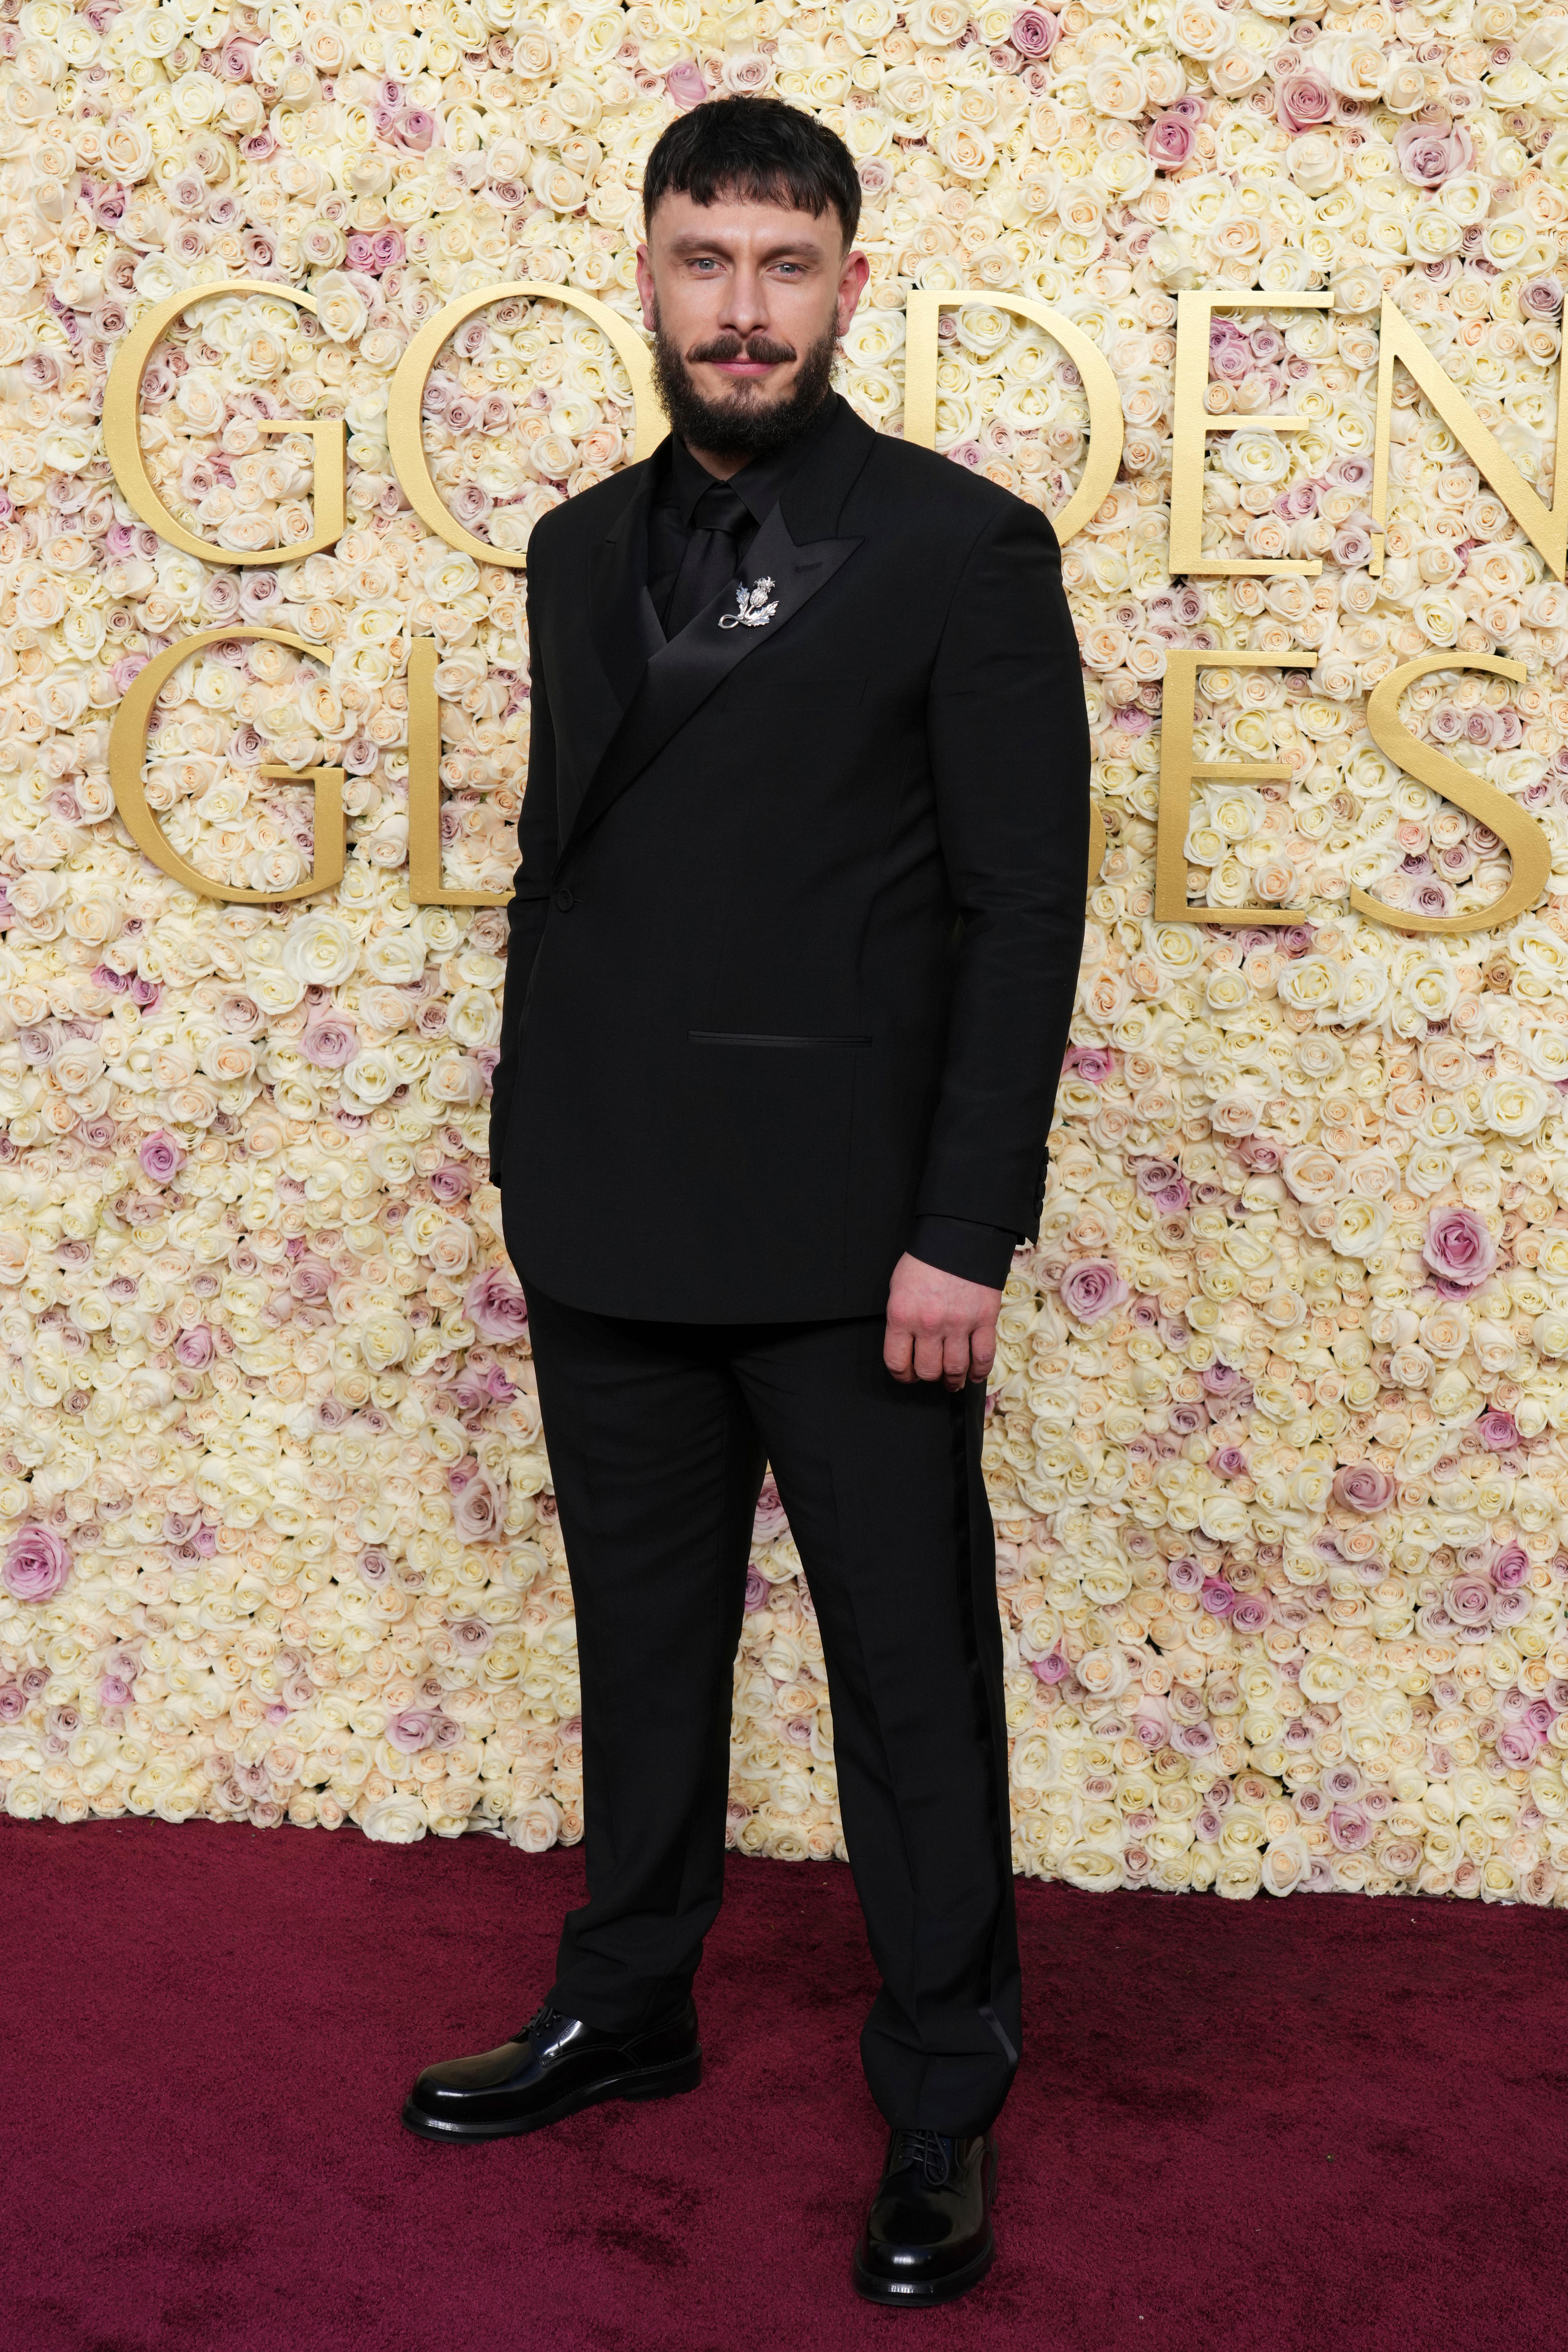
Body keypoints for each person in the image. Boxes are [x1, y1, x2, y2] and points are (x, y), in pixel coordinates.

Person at [402, 95, 1089, 2309]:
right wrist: (528, 1140)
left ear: (852, 287)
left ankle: (942, 2100)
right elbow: (571, 873)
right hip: (607, 1207)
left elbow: (1022, 907)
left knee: (911, 1681)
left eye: (786, 267)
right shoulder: (577, 546)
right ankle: (631, 1996)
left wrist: (964, 1228)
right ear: (645, 273)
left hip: (854, 1239)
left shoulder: (960, 548)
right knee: (638, 1645)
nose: (742, 307)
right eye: (705, 260)